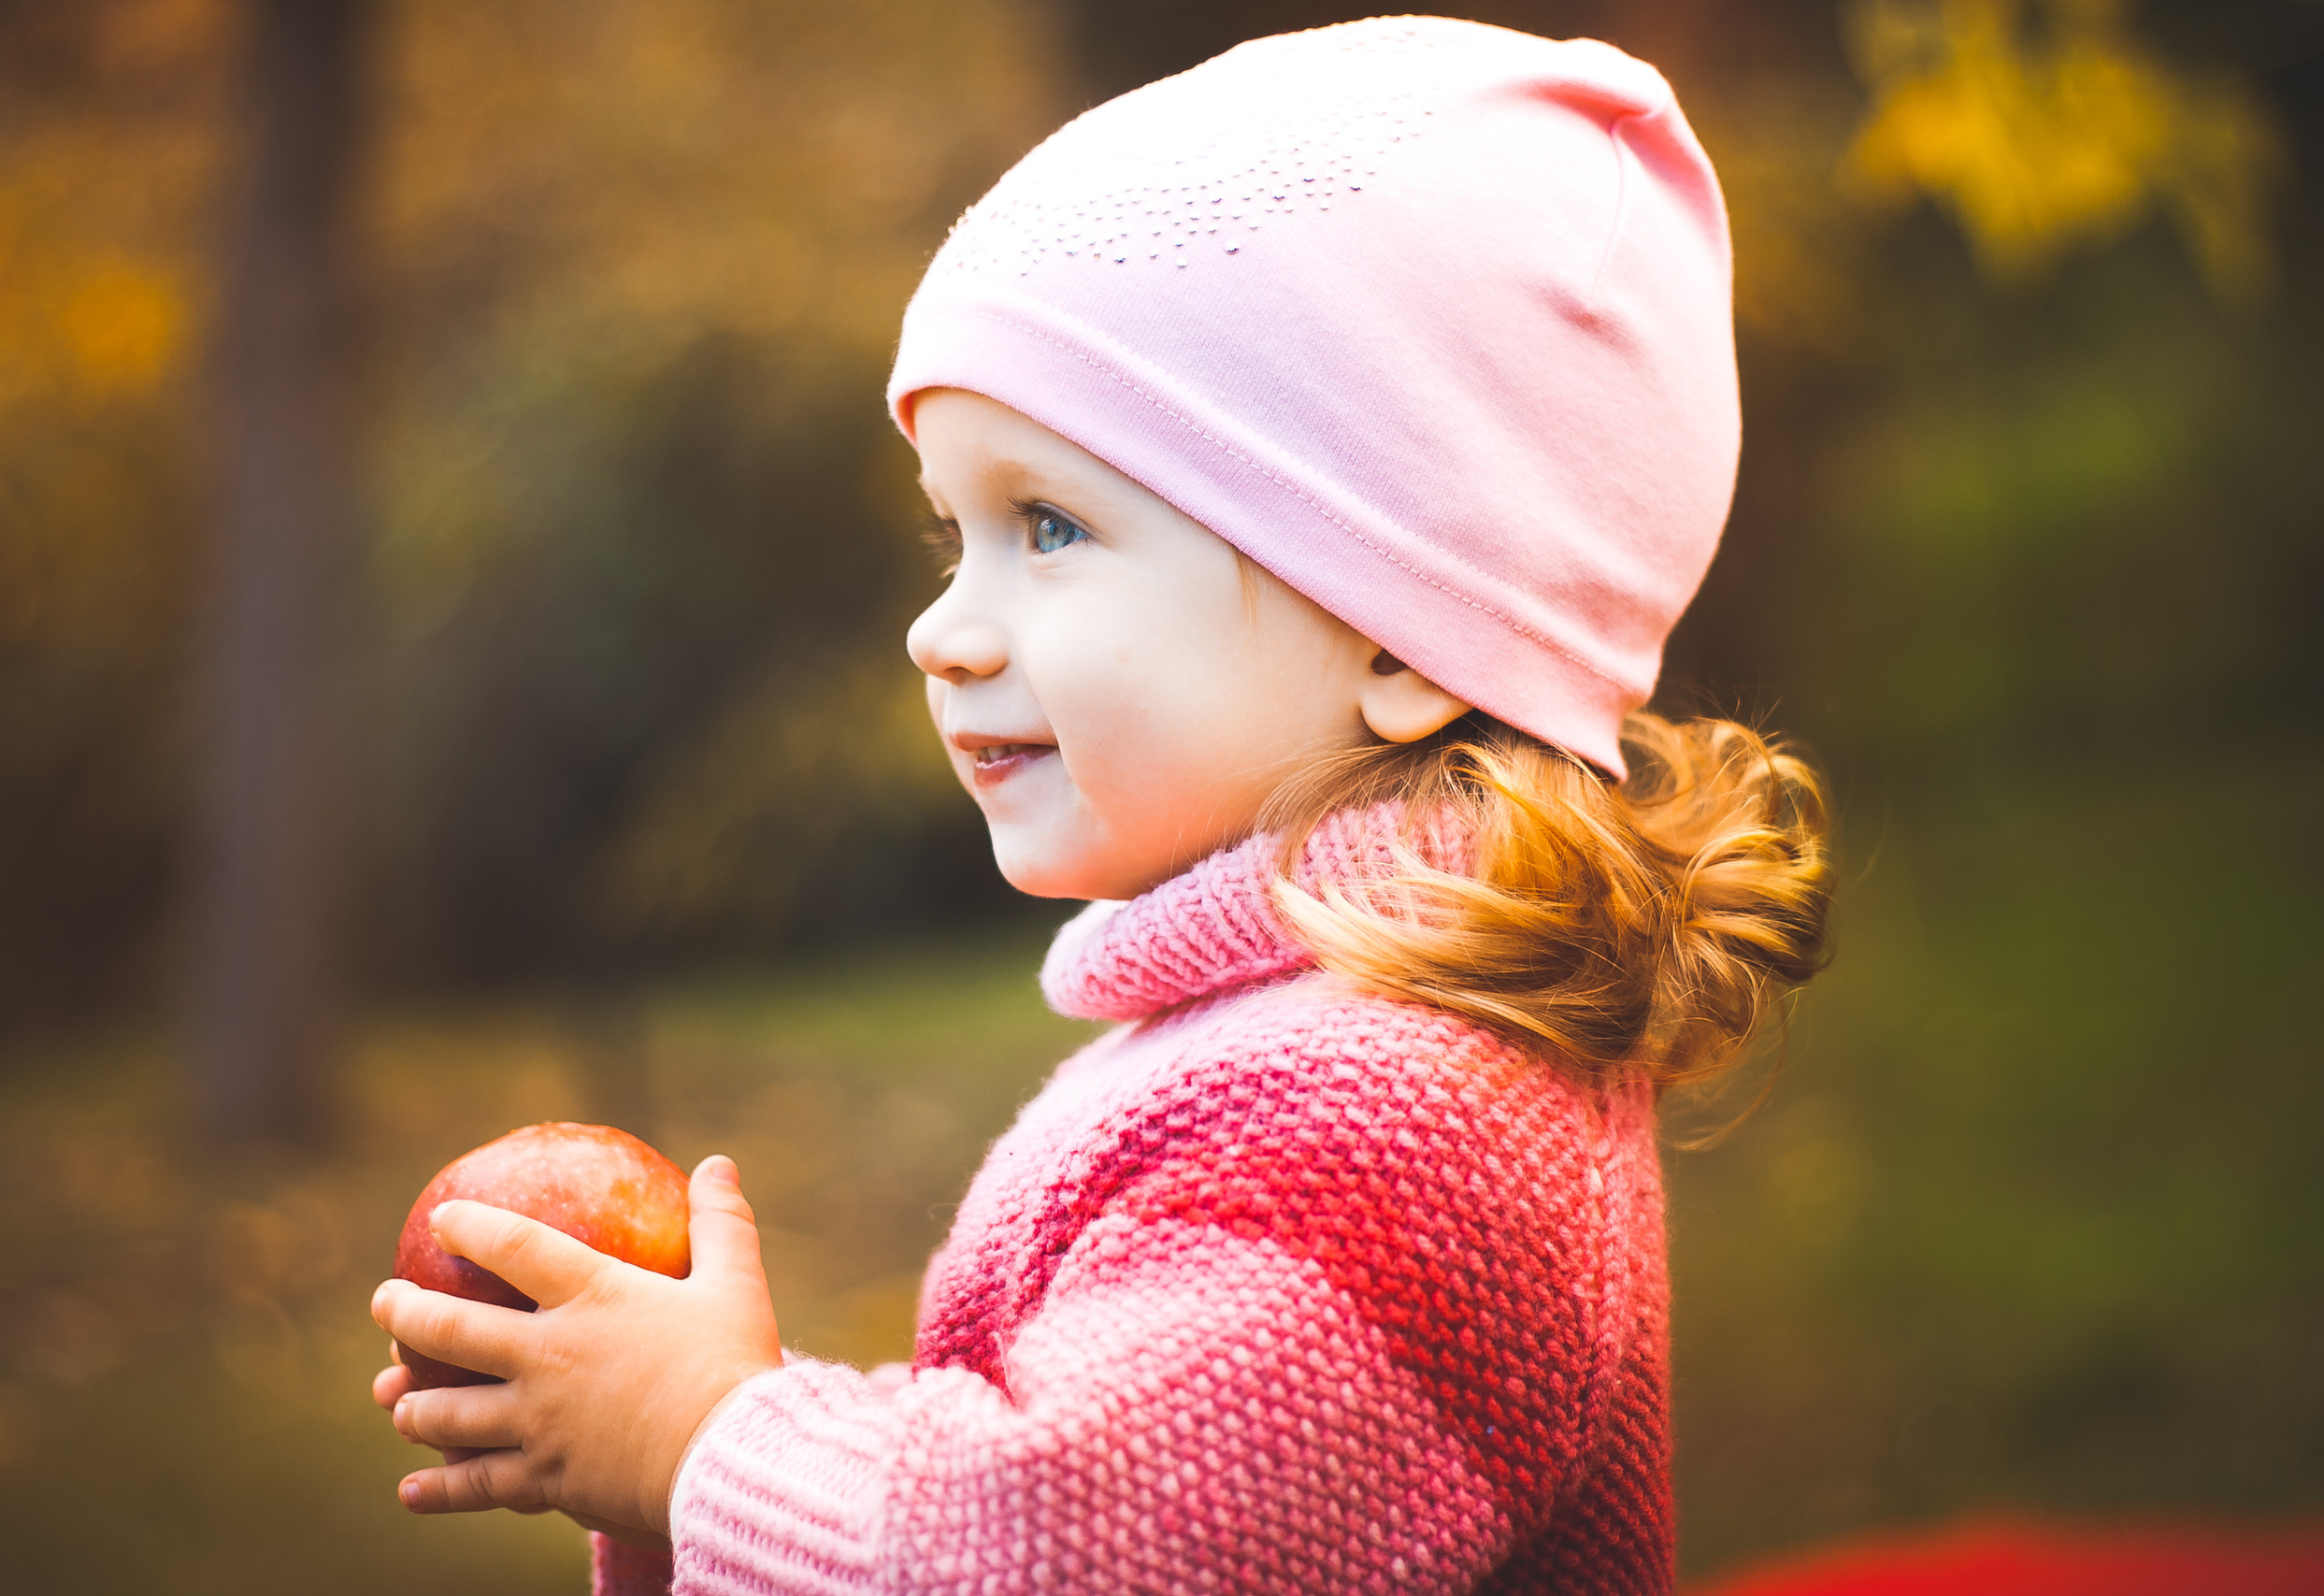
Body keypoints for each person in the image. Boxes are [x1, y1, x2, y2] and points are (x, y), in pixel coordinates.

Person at [368, 17, 1834, 1593]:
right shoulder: (1339, 1051)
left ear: (1403, 641)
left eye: (1050, 528)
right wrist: (687, 1494)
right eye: (958, 537)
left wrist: (709, 1434)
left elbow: (1056, 1553)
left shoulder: (1385, 1126)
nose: (946, 628)